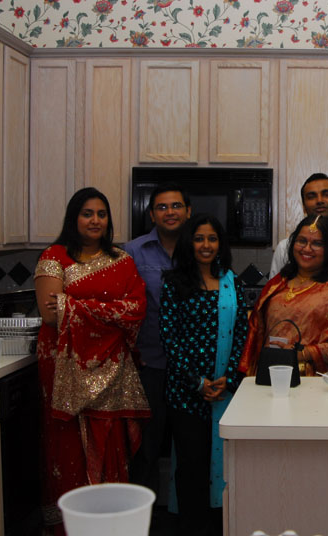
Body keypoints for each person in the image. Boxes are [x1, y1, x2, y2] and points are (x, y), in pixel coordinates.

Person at [34, 187, 149, 534]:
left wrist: (72, 304)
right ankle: (71, 526)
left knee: (111, 441)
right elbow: (49, 315)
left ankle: (110, 524)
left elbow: (136, 309)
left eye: (101, 214)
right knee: (67, 443)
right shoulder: (55, 256)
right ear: (74, 218)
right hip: (64, 365)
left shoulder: (121, 260)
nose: (95, 220)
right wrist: (107, 311)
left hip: (112, 368)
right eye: (87, 213)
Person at [160, 214, 248, 536]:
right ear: (189, 243)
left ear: (220, 244)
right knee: (192, 465)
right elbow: (170, 337)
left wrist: (230, 378)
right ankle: (191, 527)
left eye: (212, 238)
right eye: (199, 238)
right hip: (186, 394)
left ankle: (221, 526)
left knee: (226, 466)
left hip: (225, 391)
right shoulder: (174, 282)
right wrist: (196, 382)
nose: (206, 245)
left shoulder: (231, 281)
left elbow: (243, 332)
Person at [125, 183, 191, 496]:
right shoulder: (132, 251)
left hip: (192, 367)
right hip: (148, 364)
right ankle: (143, 514)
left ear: (188, 211)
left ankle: (188, 513)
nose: (170, 212)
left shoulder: (201, 247)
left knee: (191, 446)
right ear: (152, 214)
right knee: (145, 447)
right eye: (162, 207)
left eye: (176, 206)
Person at [240, 215, 328, 376]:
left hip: (313, 381)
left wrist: (302, 353)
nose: (307, 249)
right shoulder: (279, 281)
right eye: (302, 241)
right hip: (272, 375)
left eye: (317, 243)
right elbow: (257, 330)